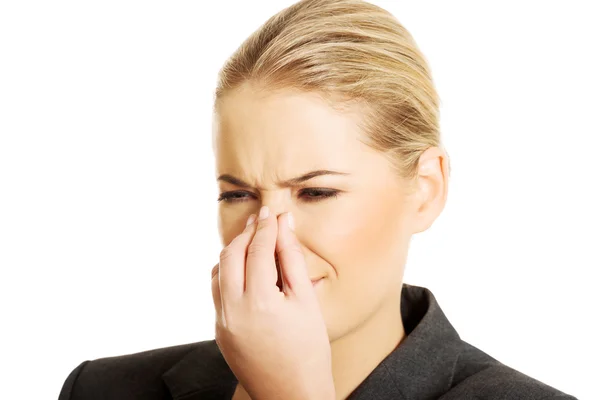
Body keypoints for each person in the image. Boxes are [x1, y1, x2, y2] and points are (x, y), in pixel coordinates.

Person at [58, 0, 577, 399]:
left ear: (425, 191)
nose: (269, 234)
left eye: (316, 192)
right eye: (237, 193)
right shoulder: (103, 389)